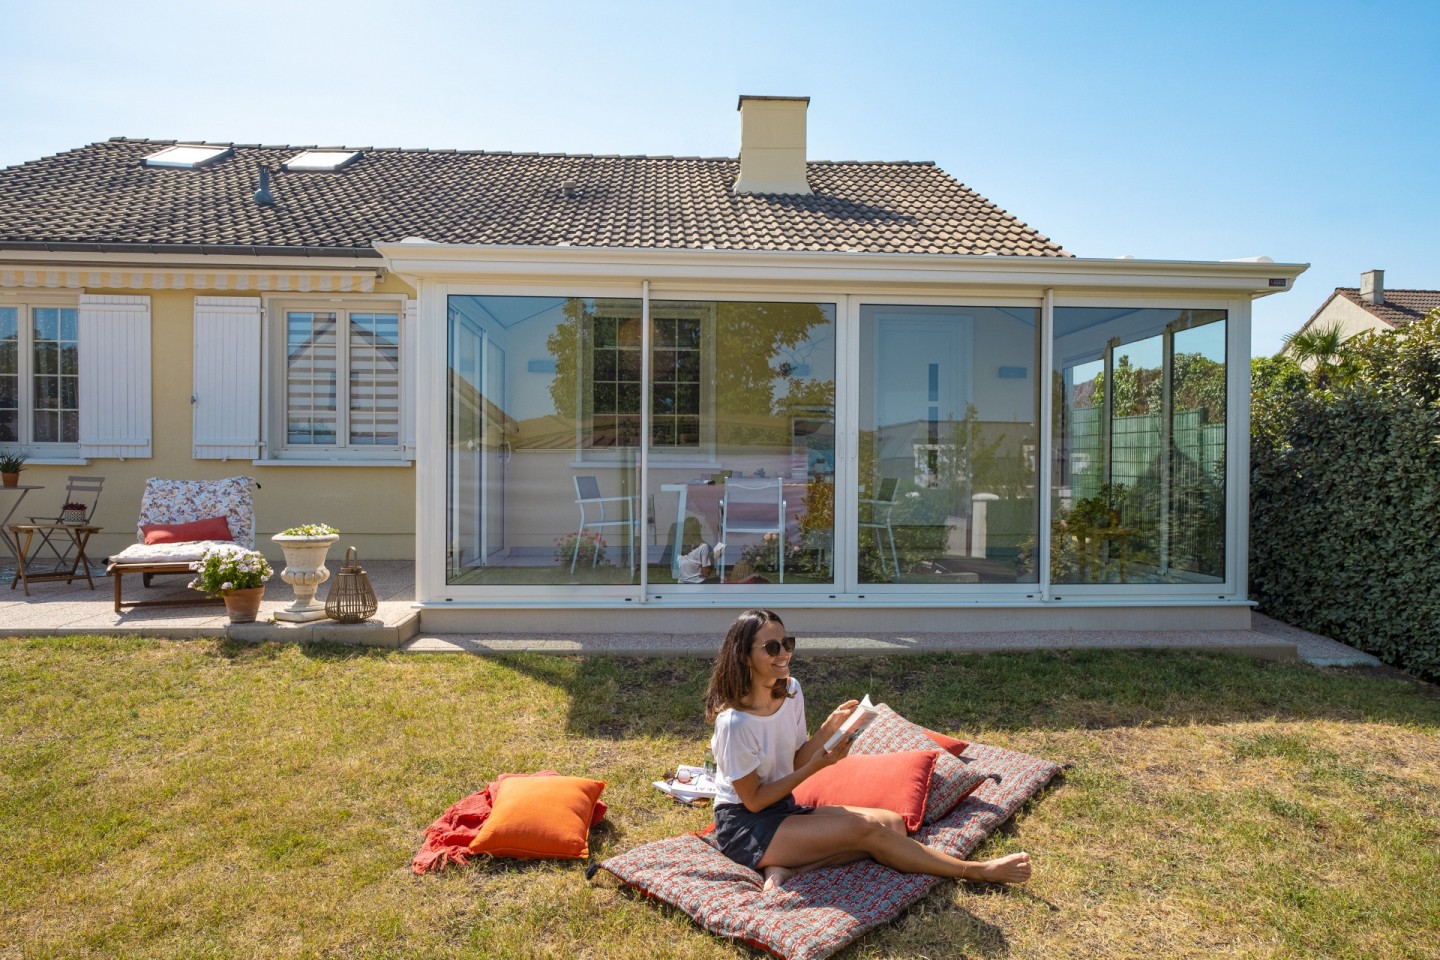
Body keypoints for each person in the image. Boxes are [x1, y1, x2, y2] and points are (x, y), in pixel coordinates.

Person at [704, 608, 1033, 892]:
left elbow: (791, 763)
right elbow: (756, 799)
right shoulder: (734, 723)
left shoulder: (790, 690)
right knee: (866, 831)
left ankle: (792, 868)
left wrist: (829, 729)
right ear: (744, 656)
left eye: (787, 643)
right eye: (772, 647)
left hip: (782, 808)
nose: (784, 653)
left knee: (891, 824)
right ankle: (974, 871)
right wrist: (817, 768)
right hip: (745, 825)